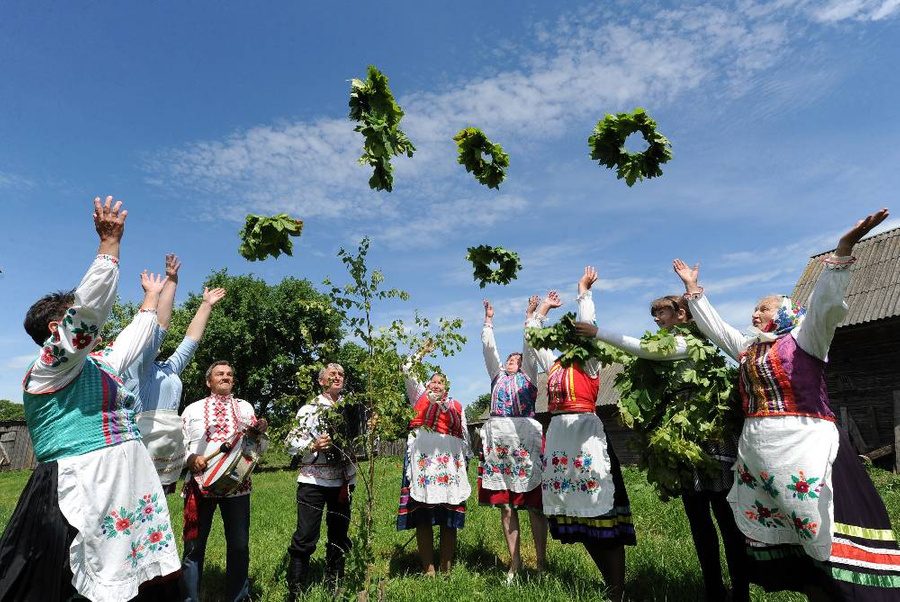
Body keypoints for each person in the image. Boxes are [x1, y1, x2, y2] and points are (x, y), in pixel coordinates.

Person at [673, 208, 900, 601]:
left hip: (805, 447)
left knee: (822, 535)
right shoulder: (748, 350)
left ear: (785, 313)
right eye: (754, 309)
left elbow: (826, 306)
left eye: (762, 308)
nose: (754, 313)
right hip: (764, 457)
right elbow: (717, 329)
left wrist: (844, 250)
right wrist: (695, 291)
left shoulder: (805, 339)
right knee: (797, 550)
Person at [0, 196, 181, 602]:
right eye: (68, 320)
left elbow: (133, 340)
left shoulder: (98, 364)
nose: (82, 326)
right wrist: (109, 246)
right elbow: (86, 316)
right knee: (68, 584)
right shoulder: (50, 367)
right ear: (55, 328)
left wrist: (152, 296)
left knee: (126, 577)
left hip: (121, 483)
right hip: (79, 486)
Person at [575, 294, 749, 602]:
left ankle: (741, 591)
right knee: (698, 518)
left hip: (709, 431)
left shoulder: (692, 340)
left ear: (682, 314)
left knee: (725, 515)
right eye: (654, 314)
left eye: (663, 313)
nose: (657, 318)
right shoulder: (668, 341)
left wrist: (598, 332)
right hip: (680, 437)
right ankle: (713, 590)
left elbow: (649, 350)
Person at [526, 275, 635, 602]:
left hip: (587, 437)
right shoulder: (556, 364)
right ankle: (608, 585)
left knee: (601, 513)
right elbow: (534, 339)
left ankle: (617, 592)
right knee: (576, 515)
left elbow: (588, 326)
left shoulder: (589, 362)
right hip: (560, 438)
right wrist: (541, 311)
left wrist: (583, 295)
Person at [126, 252, 226, 494]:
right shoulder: (135, 367)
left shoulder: (169, 369)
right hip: (143, 447)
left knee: (159, 518)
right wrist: (171, 282)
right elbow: (160, 325)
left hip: (167, 452)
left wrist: (206, 306)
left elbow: (191, 340)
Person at [180, 360, 267, 602]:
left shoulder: (246, 408)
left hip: (237, 485)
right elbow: (181, 445)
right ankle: (189, 598)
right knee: (193, 547)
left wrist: (259, 433)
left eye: (229, 374)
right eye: (220, 374)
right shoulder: (192, 410)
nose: (225, 377)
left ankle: (238, 597)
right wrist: (191, 458)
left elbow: (255, 448)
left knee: (239, 546)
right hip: (200, 484)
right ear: (209, 381)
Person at [479, 297, 548, 582]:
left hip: (524, 440)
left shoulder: (529, 376)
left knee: (532, 503)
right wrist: (488, 322)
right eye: (510, 359)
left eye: (517, 359)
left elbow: (530, 349)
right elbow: (488, 350)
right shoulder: (496, 377)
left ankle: (542, 563)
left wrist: (530, 315)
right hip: (499, 442)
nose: (513, 361)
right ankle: (514, 563)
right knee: (506, 505)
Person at [396, 345, 471, 576]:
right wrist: (423, 351)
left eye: (441, 382)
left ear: (447, 387)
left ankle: (446, 567)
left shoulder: (456, 406)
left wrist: (464, 464)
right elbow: (407, 367)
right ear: (427, 385)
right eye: (433, 381)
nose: (437, 385)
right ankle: (428, 568)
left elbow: (465, 436)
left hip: (449, 468)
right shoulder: (419, 397)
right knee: (423, 516)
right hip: (423, 467)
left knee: (449, 516)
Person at [285, 363, 357, 599]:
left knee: (339, 533)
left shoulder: (352, 407)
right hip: (313, 481)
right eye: (332, 374)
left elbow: (361, 441)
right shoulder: (309, 409)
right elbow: (289, 445)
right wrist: (313, 446)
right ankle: (295, 589)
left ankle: (334, 582)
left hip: (344, 480)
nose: (338, 377)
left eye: (341, 374)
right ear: (321, 381)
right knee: (306, 535)